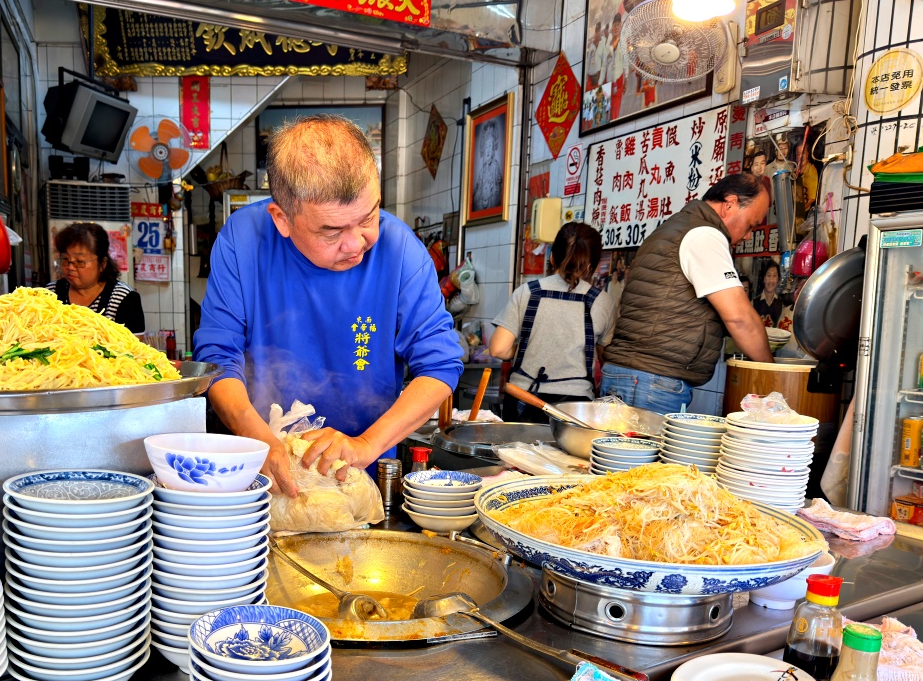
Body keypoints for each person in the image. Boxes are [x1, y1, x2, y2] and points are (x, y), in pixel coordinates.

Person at [193, 115, 462, 496]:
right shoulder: (243, 240)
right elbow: (218, 356)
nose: (356, 244)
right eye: (332, 231)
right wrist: (258, 440)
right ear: (282, 219)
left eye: (368, 218)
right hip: (260, 474)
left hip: (364, 479)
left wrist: (366, 445)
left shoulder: (400, 250)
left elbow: (440, 365)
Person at [600, 173, 773, 415]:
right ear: (730, 204)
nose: (746, 236)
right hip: (652, 382)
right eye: (751, 225)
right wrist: (772, 374)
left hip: (634, 376)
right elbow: (740, 318)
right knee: (639, 453)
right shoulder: (704, 235)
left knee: (620, 453)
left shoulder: (675, 228)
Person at [489, 223, 616, 422]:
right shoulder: (603, 302)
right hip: (576, 408)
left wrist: (530, 347)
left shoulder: (527, 292)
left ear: (551, 256)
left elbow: (498, 349)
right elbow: (606, 359)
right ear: (592, 265)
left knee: (518, 454)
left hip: (524, 398)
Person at [47, 222, 144, 333]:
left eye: (80, 262)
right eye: (65, 259)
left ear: (102, 264)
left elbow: (134, 347)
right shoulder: (50, 294)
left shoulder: (125, 298)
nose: (70, 267)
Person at [754, 260, 794, 330]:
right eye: (768, 275)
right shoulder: (754, 303)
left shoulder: (783, 304)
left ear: (778, 279)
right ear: (764, 278)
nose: (771, 280)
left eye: (774, 276)